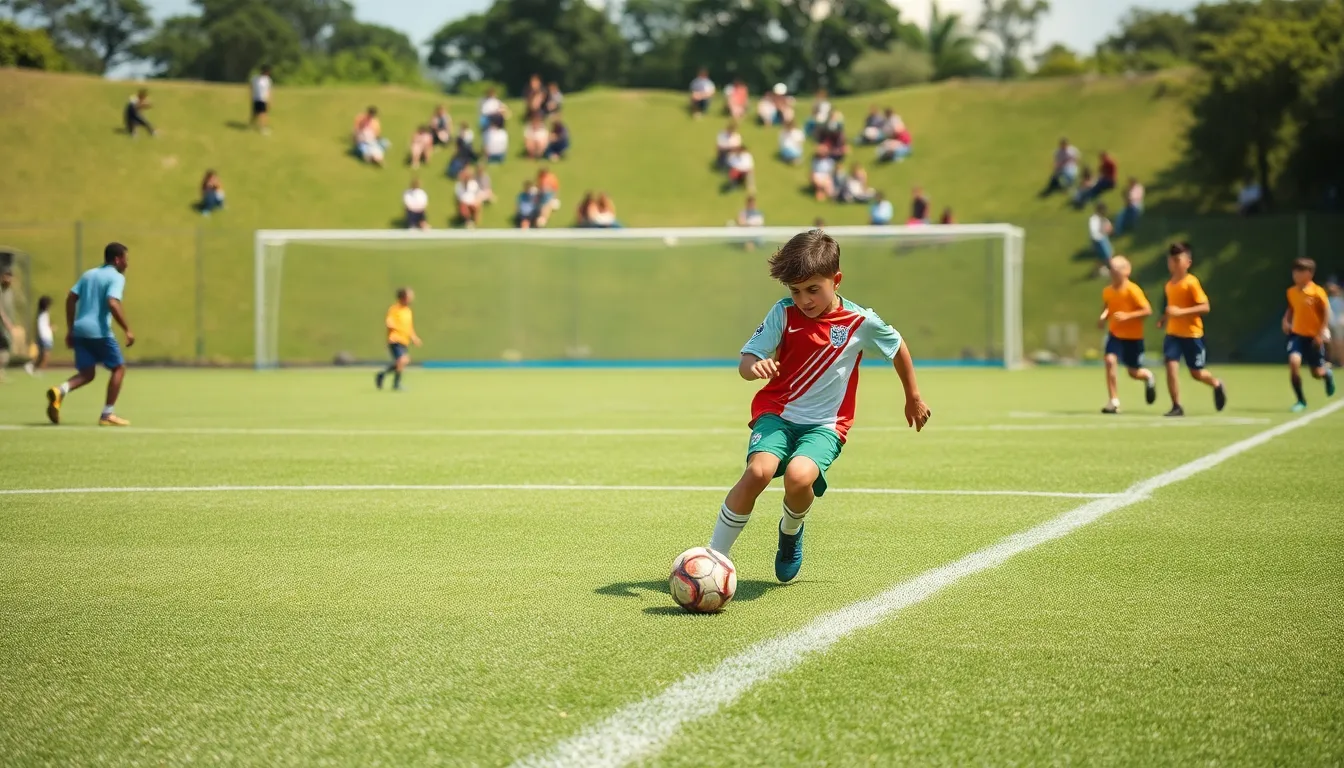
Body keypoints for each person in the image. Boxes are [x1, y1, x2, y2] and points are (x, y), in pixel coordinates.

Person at [704, 230, 930, 582]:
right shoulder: (783, 313)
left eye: (813, 289)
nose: (804, 300)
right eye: (795, 291)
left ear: (835, 280)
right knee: (758, 472)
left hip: (826, 424)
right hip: (777, 413)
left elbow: (897, 346)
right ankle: (714, 557)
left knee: (798, 477)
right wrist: (755, 367)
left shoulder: (860, 323)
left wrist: (912, 396)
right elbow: (747, 361)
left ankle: (791, 532)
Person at [45, 242, 135, 426]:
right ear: (118, 259)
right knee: (119, 368)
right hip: (99, 332)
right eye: (126, 259)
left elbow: (70, 298)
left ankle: (60, 390)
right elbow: (112, 302)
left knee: (87, 373)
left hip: (80, 330)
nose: (127, 264)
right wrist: (127, 329)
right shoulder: (116, 277)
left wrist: (71, 328)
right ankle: (107, 414)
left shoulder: (89, 274)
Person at [1157, 241, 1227, 417]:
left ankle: (1217, 384)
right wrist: (1164, 319)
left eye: (1177, 259)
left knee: (1196, 373)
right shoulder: (1169, 285)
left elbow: (1205, 307)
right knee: (1170, 365)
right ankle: (1176, 406)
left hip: (1192, 334)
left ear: (1188, 262)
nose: (1173, 263)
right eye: (1171, 260)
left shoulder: (1191, 283)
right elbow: (1171, 307)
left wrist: (1181, 312)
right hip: (1173, 334)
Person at [1097, 255, 1157, 414]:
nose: (1113, 274)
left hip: (1133, 337)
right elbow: (1107, 307)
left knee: (1134, 372)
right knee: (1109, 361)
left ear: (1126, 271)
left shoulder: (1133, 290)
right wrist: (1103, 317)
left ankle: (1148, 377)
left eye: (1116, 270)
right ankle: (1113, 400)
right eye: (1112, 271)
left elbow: (1147, 310)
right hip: (1115, 334)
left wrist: (1127, 316)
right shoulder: (1108, 291)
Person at [1282, 258, 1335, 411]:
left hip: (1313, 337)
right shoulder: (1291, 292)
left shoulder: (1317, 292)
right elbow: (1292, 307)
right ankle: (1300, 401)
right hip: (1297, 335)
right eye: (1294, 272)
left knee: (1316, 373)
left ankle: (1327, 375)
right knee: (1293, 363)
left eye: (1300, 272)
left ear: (1310, 274)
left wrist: (1320, 334)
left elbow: (1326, 313)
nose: (1296, 275)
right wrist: (1286, 320)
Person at [376, 287, 421, 392]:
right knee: (403, 360)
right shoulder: (394, 309)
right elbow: (389, 321)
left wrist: (414, 338)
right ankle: (396, 384)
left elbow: (409, 327)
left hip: (404, 340)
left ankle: (382, 374)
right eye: (410, 296)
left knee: (403, 361)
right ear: (403, 298)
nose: (412, 298)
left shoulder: (408, 311)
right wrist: (391, 325)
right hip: (395, 339)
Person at [25, 295, 54, 375]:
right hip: (44, 337)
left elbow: (45, 324)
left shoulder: (45, 314)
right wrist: (39, 335)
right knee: (45, 354)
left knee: (43, 354)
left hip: (47, 336)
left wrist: (50, 328)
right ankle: (38, 369)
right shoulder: (41, 314)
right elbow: (39, 326)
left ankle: (33, 367)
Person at [1088, 203, 1113, 272]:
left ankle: (1097, 271)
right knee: (1107, 256)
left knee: (1104, 256)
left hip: (1103, 238)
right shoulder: (1094, 219)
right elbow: (1094, 232)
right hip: (1098, 240)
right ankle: (1111, 270)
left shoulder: (1102, 218)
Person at [0, 265, 14, 382]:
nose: (8, 279)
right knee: (4, 348)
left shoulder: (9, 291)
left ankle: (1, 372)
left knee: (5, 348)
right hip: (2, 325)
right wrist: (6, 321)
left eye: (10, 277)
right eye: (6, 277)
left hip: (4, 327)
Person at [250, 65, 272, 134]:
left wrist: (269, 99)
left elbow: (268, 90)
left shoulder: (267, 80)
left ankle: (259, 127)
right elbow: (252, 87)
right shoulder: (256, 79)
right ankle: (261, 128)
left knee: (262, 114)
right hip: (258, 98)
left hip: (262, 99)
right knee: (257, 114)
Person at [1328, 277, 1344, 366]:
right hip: (1331, 323)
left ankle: (1342, 363)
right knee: (1331, 344)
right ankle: (1332, 362)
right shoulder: (1328, 298)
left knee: (1340, 343)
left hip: (1340, 324)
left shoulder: (1341, 299)